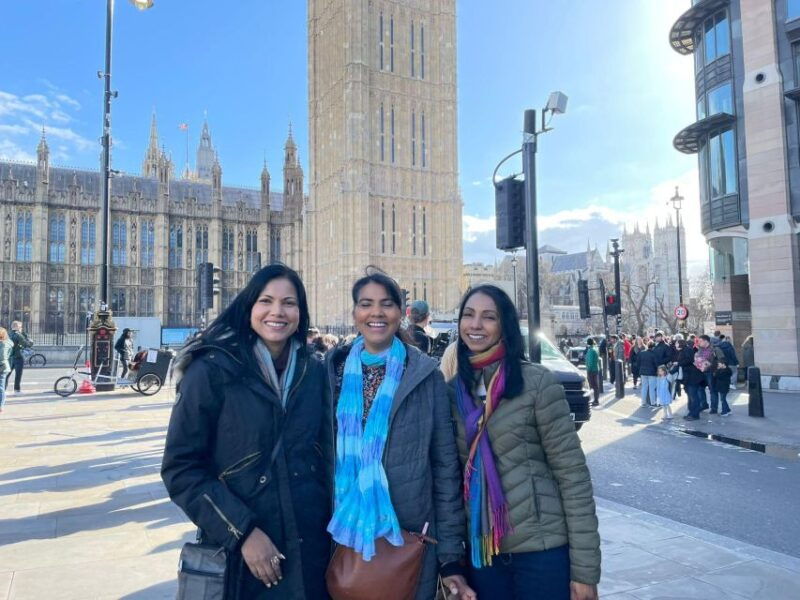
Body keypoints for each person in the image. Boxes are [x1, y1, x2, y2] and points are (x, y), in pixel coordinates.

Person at [161, 264, 333, 599]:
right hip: (246, 557)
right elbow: (181, 469)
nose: (277, 312)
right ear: (249, 306)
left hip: (312, 548)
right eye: (266, 301)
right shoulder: (211, 370)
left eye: (289, 303)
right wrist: (241, 531)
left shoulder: (314, 371)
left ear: (301, 311)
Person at [326, 272, 474, 600]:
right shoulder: (331, 373)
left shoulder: (425, 377)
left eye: (386, 304)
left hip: (408, 547)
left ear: (401, 312)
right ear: (355, 314)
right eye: (366, 304)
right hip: (341, 539)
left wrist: (450, 558)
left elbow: (445, 471)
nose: (376, 313)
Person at [449, 284, 600, 600]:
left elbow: (573, 477)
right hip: (483, 555)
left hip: (541, 552)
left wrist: (585, 571)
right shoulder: (451, 393)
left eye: (488, 317)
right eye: (468, 315)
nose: (476, 325)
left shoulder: (537, 383)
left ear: (504, 325)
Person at [5, 321, 32, 394]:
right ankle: (17, 390)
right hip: (18, 357)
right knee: (18, 375)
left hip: (10, 357)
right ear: (17, 327)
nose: (21, 328)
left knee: (7, 374)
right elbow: (27, 344)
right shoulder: (18, 335)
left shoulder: (8, 334)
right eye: (20, 327)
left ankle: (3, 390)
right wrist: (29, 340)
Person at [637, 342, 658, 407]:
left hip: (643, 372)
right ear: (653, 347)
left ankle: (643, 402)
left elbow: (638, 363)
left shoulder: (642, 353)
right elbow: (656, 364)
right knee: (652, 388)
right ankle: (653, 403)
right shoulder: (654, 354)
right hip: (652, 373)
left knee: (644, 387)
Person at [584, 338, 601, 406]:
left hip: (591, 370)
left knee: (591, 385)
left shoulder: (591, 350)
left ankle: (594, 400)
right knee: (596, 386)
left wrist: (588, 370)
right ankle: (596, 400)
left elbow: (590, 362)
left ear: (588, 343)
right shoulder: (595, 348)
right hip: (596, 368)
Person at [0, 328, 12, 412]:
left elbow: (2, 357)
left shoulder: (3, 344)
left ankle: (1, 405)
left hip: (2, 367)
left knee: (1, 387)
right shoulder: (8, 343)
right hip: (4, 366)